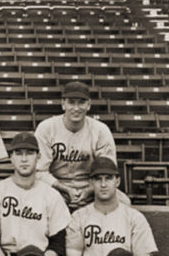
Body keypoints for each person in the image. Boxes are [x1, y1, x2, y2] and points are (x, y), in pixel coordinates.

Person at [66, 157, 158, 256]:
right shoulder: (78, 217)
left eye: (108, 178)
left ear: (117, 181)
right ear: (91, 183)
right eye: (98, 179)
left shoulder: (134, 218)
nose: (103, 184)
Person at [34, 81, 128, 210]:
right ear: (63, 104)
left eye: (81, 102)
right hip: (55, 186)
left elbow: (109, 170)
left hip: (91, 187)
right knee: (37, 203)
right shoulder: (47, 128)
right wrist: (63, 189)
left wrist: (90, 190)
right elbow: (39, 171)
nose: (76, 108)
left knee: (124, 203)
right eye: (71, 102)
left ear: (88, 105)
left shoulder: (100, 130)